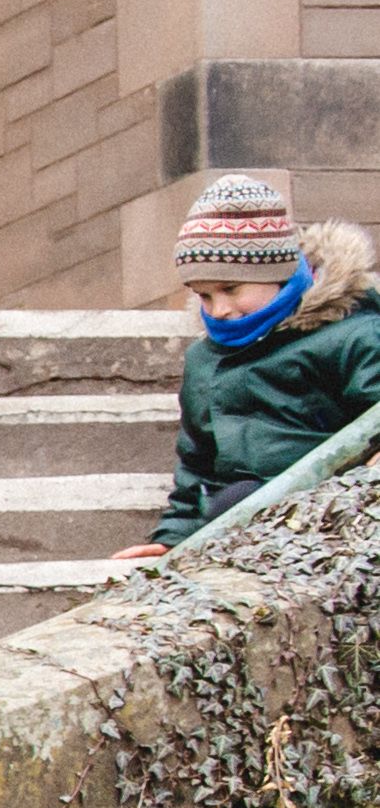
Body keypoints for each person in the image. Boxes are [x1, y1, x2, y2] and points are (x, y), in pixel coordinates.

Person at [146, 170, 380, 550]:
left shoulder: (351, 335)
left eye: (230, 289)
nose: (218, 310)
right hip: (242, 507)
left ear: (278, 276)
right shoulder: (205, 361)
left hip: (333, 506)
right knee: (229, 504)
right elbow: (196, 467)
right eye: (204, 296)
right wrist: (173, 540)